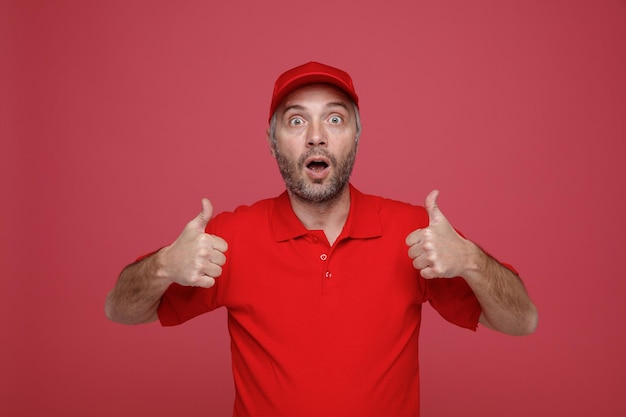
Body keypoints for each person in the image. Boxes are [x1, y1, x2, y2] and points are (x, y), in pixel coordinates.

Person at [105, 61, 538, 417]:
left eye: (335, 118)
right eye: (296, 120)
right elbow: (120, 310)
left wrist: (470, 259)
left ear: (357, 135)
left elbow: (521, 322)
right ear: (272, 140)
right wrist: (164, 265)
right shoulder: (228, 237)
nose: (317, 135)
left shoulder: (416, 233)